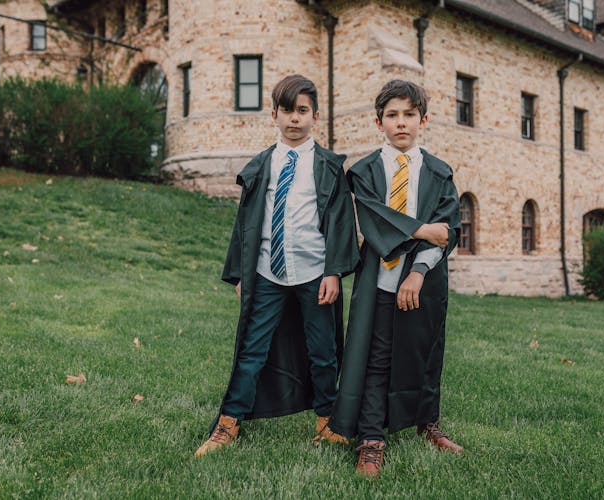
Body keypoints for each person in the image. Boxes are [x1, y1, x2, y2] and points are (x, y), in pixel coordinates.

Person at [194, 74, 360, 457]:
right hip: (267, 272)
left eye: (303, 111)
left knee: (322, 352)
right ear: (274, 114)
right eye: (287, 110)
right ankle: (229, 423)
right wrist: (240, 274)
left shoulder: (328, 167)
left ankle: (328, 421)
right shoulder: (262, 166)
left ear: (315, 116)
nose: (295, 119)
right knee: (252, 350)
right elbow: (246, 223)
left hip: (315, 274)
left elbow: (339, 223)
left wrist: (334, 271)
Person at [329, 80, 462, 477]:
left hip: (426, 281)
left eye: (409, 115)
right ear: (378, 121)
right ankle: (371, 439)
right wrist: (422, 230)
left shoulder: (440, 172)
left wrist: (418, 271)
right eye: (392, 116)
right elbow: (374, 221)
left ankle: (428, 424)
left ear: (424, 119)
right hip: (381, 284)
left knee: (426, 354)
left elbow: (449, 228)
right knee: (377, 358)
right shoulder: (365, 172)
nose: (401, 123)